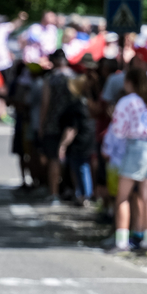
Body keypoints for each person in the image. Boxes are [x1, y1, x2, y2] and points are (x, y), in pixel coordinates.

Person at [106, 68, 147, 252]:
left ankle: (121, 240)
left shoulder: (127, 101)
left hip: (135, 147)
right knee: (145, 197)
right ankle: (144, 238)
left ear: (128, 81)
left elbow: (118, 131)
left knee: (122, 196)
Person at [40, 50, 77, 206]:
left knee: (54, 159)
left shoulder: (51, 78)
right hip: (73, 123)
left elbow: (45, 103)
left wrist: (41, 124)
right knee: (74, 158)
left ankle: (54, 193)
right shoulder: (74, 77)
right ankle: (76, 192)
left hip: (53, 122)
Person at [57, 76, 96, 206]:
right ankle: (83, 194)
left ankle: (84, 195)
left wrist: (63, 145)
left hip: (79, 142)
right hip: (89, 139)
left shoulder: (76, 106)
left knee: (80, 168)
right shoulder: (88, 102)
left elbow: (71, 129)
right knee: (83, 167)